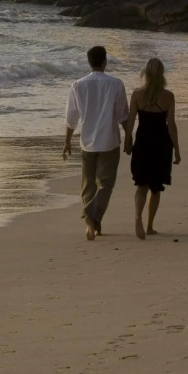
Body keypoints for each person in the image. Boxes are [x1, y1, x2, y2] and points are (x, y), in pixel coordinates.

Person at [62, 45, 129, 241]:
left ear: (89, 62)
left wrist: (67, 141)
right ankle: (92, 218)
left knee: (88, 186)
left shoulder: (78, 85)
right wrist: (130, 138)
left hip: (87, 142)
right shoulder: (116, 84)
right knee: (105, 185)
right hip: (109, 141)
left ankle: (93, 222)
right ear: (105, 62)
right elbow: (122, 115)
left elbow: (71, 118)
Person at [122, 57, 181, 240]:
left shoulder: (137, 95)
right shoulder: (168, 96)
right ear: (162, 74)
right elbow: (171, 124)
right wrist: (177, 150)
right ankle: (149, 226)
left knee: (141, 185)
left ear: (145, 74)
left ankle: (138, 217)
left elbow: (130, 121)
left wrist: (128, 140)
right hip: (161, 144)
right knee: (155, 187)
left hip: (143, 142)